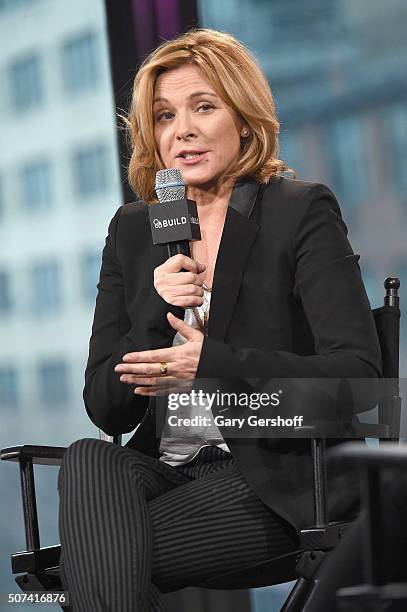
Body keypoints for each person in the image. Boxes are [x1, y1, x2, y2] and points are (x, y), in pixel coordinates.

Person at [57, 28, 382, 611]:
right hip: (174, 472)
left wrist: (214, 363)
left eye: (203, 107)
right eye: (162, 116)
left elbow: (359, 383)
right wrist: (156, 309)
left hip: (279, 475)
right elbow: (107, 406)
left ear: (244, 119)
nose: (181, 130)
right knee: (91, 457)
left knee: (95, 561)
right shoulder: (134, 230)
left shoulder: (298, 211)